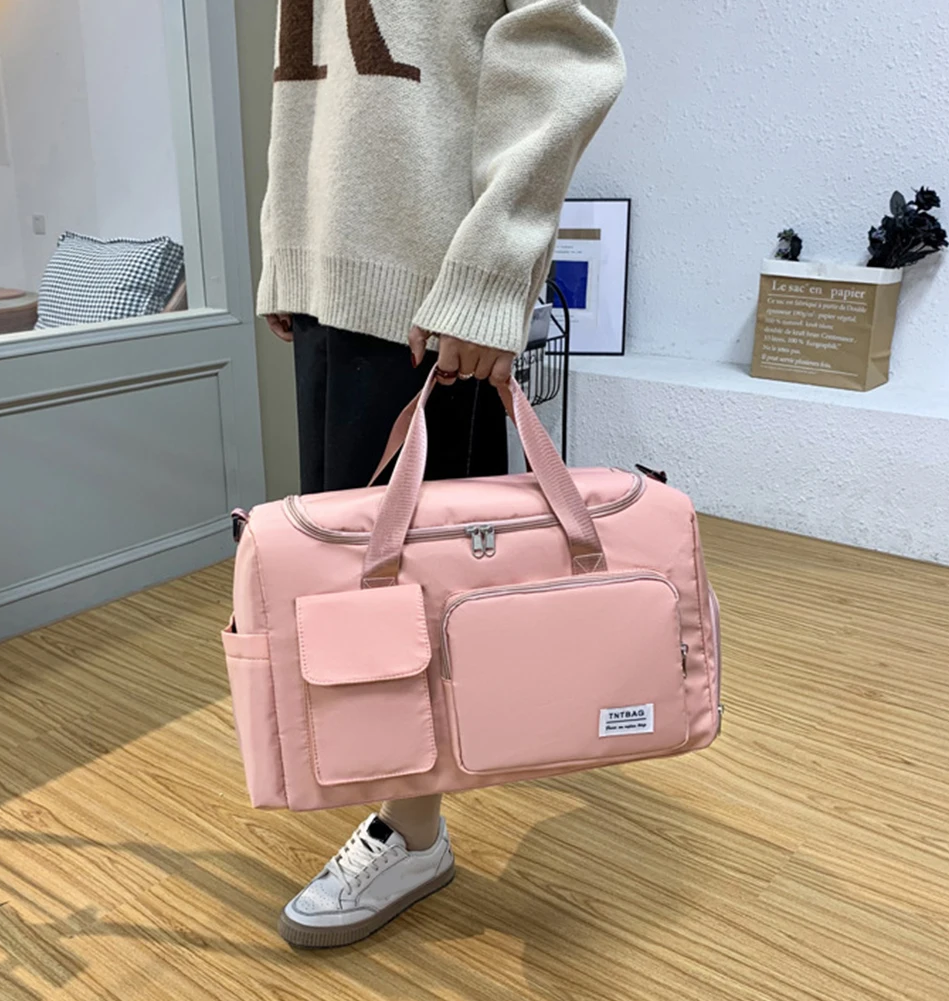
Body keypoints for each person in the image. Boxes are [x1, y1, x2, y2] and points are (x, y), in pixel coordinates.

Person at [259, 0, 624, 947]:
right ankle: (410, 801)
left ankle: (413, 829)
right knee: (357, 585)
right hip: (335, 264)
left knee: (412, 586)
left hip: (431, 280)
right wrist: (288, 246)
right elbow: (311, 74)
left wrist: (492, 271)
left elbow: (558, 42)